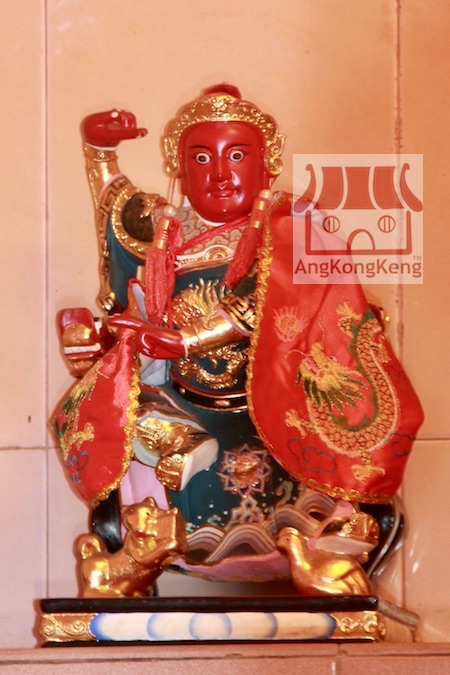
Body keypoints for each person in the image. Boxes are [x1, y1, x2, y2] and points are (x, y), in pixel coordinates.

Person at [53, 85, 423, 587]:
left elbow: (279, 303)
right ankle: (144, 545)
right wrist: (100, 150)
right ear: (178, 166)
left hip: (276, 406)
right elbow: (116, 209)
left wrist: (188, 340)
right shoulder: (163, 233)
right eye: (201, 157)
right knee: (120, 421)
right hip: (184, 402)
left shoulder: (294, 228)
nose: (220, 173)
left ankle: (323, 550)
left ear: (267, 164)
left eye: (236, 155)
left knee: (325, 465)